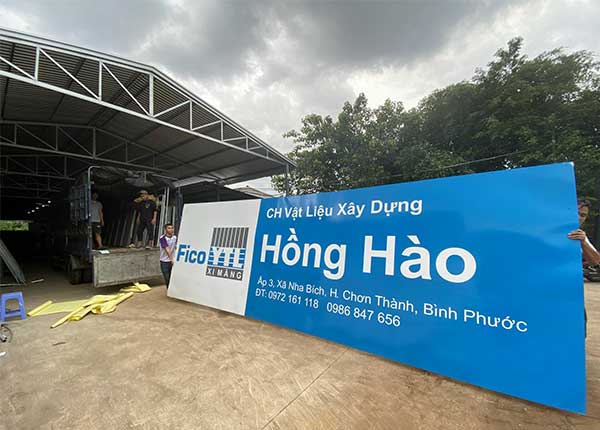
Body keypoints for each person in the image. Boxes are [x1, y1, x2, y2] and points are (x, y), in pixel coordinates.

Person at [568, 199, 600, 267]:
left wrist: (583, 242)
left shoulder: (580, 235)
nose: (578, 217)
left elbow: (596, 262)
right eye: (576, 213)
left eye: (582, 215)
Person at [159, 223, 177, 288]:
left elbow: (175, 247)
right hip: (164, 261)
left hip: (173, 260)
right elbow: (167, 250)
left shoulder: (175, 237)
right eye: (169, 228)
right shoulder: (162, 238)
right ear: (165, 229)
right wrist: (171, 259)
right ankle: (169, 290)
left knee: (173, 277)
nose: (171, 229)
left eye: (172, 228)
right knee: (167, 278)